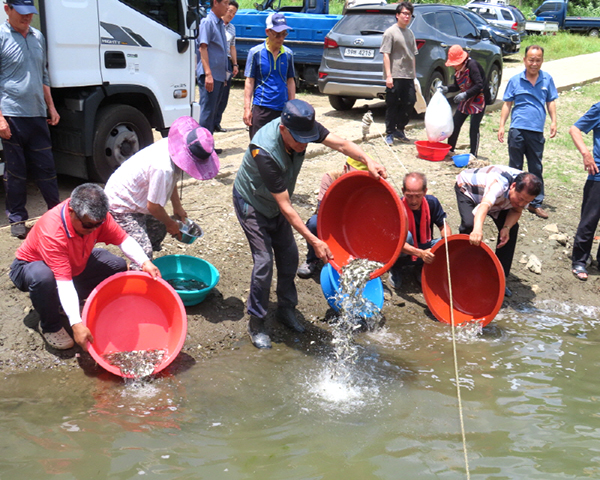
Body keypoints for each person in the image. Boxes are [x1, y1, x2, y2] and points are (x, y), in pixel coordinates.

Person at [233, 99, 386, 349]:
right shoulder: (264, 152)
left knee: (289, 255)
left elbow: (343, 144)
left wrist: (367, 160)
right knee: (264, 263)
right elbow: (285, 207)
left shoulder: (303, 127)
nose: (304, 143)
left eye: (308, 137)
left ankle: (286, 309)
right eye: (299, 139)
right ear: (283, 130)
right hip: (252, 202)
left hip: (278, 203)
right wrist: (314, 240)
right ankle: (257, 322)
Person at [9, 183, 161, 351]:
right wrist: (76, 323)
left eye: (99, 224)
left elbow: (123, 239)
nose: (94, 229)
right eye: (88, 225)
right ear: (72, 212)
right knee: (43, 278)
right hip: (29, 266)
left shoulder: (96, 218)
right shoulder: (53, 231)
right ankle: (50, 325)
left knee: (116, 266)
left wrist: (144, 262)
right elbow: (65, 283)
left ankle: (60, 305)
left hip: (73, 262)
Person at [105, 117, 220, 263]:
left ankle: (144, 254)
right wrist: (170, 224)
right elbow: (153, 207)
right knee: (143, 254)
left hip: (138, 197)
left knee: (159, 227)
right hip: (121, 203)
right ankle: (139, 267)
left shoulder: (173, 147)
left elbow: (170, 183)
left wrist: (177, 206)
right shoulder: (163, 168)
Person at [0, 0, 61, 239]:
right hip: (12, 114)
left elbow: (43, 73)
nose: (28, 19)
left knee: (47, 168)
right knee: (17, 172)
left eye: (30, 14)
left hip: (37, 114)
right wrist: (1, 119)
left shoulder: (38, 37)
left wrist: (51, 107)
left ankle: (56, 213)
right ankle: (17, 219)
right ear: (8, 9)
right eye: (22, 14)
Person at [455, 165, 542, 297]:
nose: (521, 203)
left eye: (526, 201)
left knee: (512, 230)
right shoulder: (498, 184)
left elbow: (517, 210)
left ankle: (500, 278)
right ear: (513, 186)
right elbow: (484, 206)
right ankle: (461, 270)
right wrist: (477, 230)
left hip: (500, 200)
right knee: (469, 225)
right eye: (520, 198)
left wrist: (506, 228)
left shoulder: (524, 193)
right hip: (470, 190)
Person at [498, 45, 558, 220]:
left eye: (538, 60)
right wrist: (502, 125)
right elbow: (507, 104)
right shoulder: (515, 80)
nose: (534, 63)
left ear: (542, 61)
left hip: (536, 131)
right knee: (514, 167)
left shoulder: (547, 79)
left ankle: (535, 203)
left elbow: (551, 101)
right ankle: (511, 201)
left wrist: (554, 121)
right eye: (531, 59)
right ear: (524, 60)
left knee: (535, 167)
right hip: (517, 129)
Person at [297, 158, 368, 278]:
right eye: (353, 174)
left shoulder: (367, 185)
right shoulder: (330, 178)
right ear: (345, 169)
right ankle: (312, 259)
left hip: (353, 224)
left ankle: (354, 259)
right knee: (314, 223)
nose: (355, 179)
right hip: (330, 220)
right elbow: (322, 211)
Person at [389, 172, 452, 289]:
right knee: (405, 236)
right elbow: (395, 243)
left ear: (425, 191)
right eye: (409, 195)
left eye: (418, 196)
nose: (413, 201)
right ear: (403, 191)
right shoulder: (396, 208)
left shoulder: (432, 202)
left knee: (445, 244)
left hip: (425, 245)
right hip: (403, 249)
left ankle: (421, 266)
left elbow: (443, 226)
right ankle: (396, 266)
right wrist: (420, 254)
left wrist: (446, 239)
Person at [243, 13, 295, 140]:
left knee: (280, 148)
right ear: (268, 32)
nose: (281, 38)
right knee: (258, 147)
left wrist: (292, 106)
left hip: (282, 109)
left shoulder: (288, 54)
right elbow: (249, 81)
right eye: (278, 34)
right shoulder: (256, 53)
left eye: (284, 34)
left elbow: (290, 81)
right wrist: (247, 108)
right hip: (262, 109)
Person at [380, 1, 418, 146]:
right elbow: (386, 54)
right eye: (404, 14)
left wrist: (414, 76)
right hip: (395, 74)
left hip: (408, 75)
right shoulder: (390, 32)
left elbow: (412, 55)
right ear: (397, 15)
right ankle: (389, 132)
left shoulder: (410, 33)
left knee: (410, 102)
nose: (407, 17)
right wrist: (388, 75)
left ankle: (400, 129)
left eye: (409, 14)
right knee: (392, 104)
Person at [569, 103, 600, 281]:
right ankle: (579, 260)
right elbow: (575, 129)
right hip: (598, 176)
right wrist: (586, 154)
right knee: (589, 221)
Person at [442, 45, 487, 158]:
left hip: (478, 98)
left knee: (474, 126)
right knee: (455, 123)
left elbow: (479, 85)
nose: (453, 66)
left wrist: (465, 94)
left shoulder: (472, 65)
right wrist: (447, 89)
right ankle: (450, 149)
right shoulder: (458, 71)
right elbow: (457, 86)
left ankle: (473, 154)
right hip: (466, 99)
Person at [196, 0, 229, 150]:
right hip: (211, 75)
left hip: (219, 76)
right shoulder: (207, 22)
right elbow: (203, 48)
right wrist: (208, 74)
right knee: (207, 111)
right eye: (226, 3)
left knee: (214, 111)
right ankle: (201, 147)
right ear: (215, 2)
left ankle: (208, 144)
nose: (228, 7)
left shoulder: (220, 24)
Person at [214, 0, 239, 133]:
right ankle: (210, 122)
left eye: (234, 13)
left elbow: (232, 47)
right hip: (217, 61)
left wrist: (235, 64)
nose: (231, 15)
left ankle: (217, 122)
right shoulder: (215, 24)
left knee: (224, 94)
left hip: (227, 62)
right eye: (230, 11)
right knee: (215, 93)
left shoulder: (232, 28)